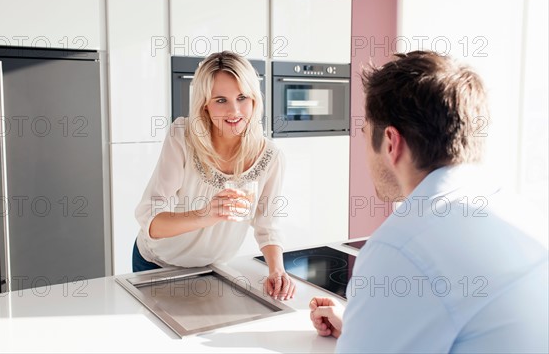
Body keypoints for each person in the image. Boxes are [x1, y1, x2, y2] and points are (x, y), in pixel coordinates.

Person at [309, 51, 548, 352]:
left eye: (365, 134)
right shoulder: (519, 211)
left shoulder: (399, 248)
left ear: (391, 143)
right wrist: (365, 328)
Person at [134, 51, 296, 300]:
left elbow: (268, 226)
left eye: (242, 97)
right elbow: (150, 220)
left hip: (214, 270)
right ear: (205, 105)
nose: (234, 111)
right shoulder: (182, 136)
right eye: (221, 100)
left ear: (254, 100)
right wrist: (205, 215)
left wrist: (277, 270)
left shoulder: (271, 156)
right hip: (157, 264)